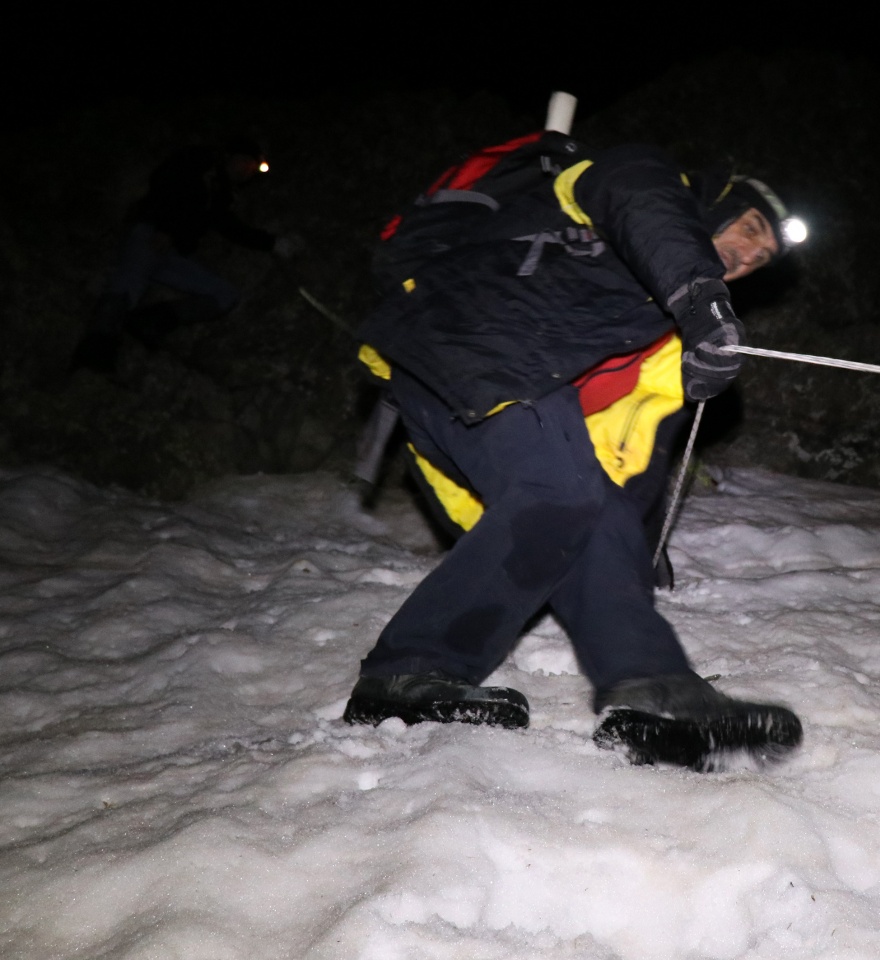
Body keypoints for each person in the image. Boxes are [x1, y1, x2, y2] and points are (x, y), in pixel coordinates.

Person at [341, 141, 806, 770]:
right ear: (716, 202)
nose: (750, 255)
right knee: (560, 493)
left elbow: (629, 459)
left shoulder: (659, 337)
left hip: (512, 371)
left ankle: (651, 692)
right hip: (466, 331)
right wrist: (700, 296)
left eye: (763, 258)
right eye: (750, 229)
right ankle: (408, 673)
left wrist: (633, 550)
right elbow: (643, 203)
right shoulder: (641, 178)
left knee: (592, 508)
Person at [72, 135, 300, 372]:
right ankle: (93, 358)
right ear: (230, 157)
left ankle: (146, 323)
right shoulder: (199, 161)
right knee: (126, 288)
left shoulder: (220, 194)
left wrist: (272, 243)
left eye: (253, 169)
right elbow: (165, 181)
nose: (247, 171)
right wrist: (166, 227)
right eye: (245, 162)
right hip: (150, 234)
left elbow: (231, 228)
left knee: (225, 295)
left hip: (171, 253)